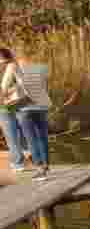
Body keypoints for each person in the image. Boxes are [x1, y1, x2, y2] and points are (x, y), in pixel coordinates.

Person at [12, 50, 53, 181]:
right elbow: (46, 88)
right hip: (42, 106)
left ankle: (40, 169)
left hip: (25, 108)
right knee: (43, 137)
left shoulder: (15, 69)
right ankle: (46, 165)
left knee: (31, 139)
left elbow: (15, 89)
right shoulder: (42, 68)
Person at [0, 48, 28, 174]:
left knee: (11, 134)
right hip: (14, 103)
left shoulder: (12, 66)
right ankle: (20, 159)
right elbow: (22, 83)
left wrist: (7, 91)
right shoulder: (14, 65)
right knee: (18, 131)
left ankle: (18, 163)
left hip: (7, 104)